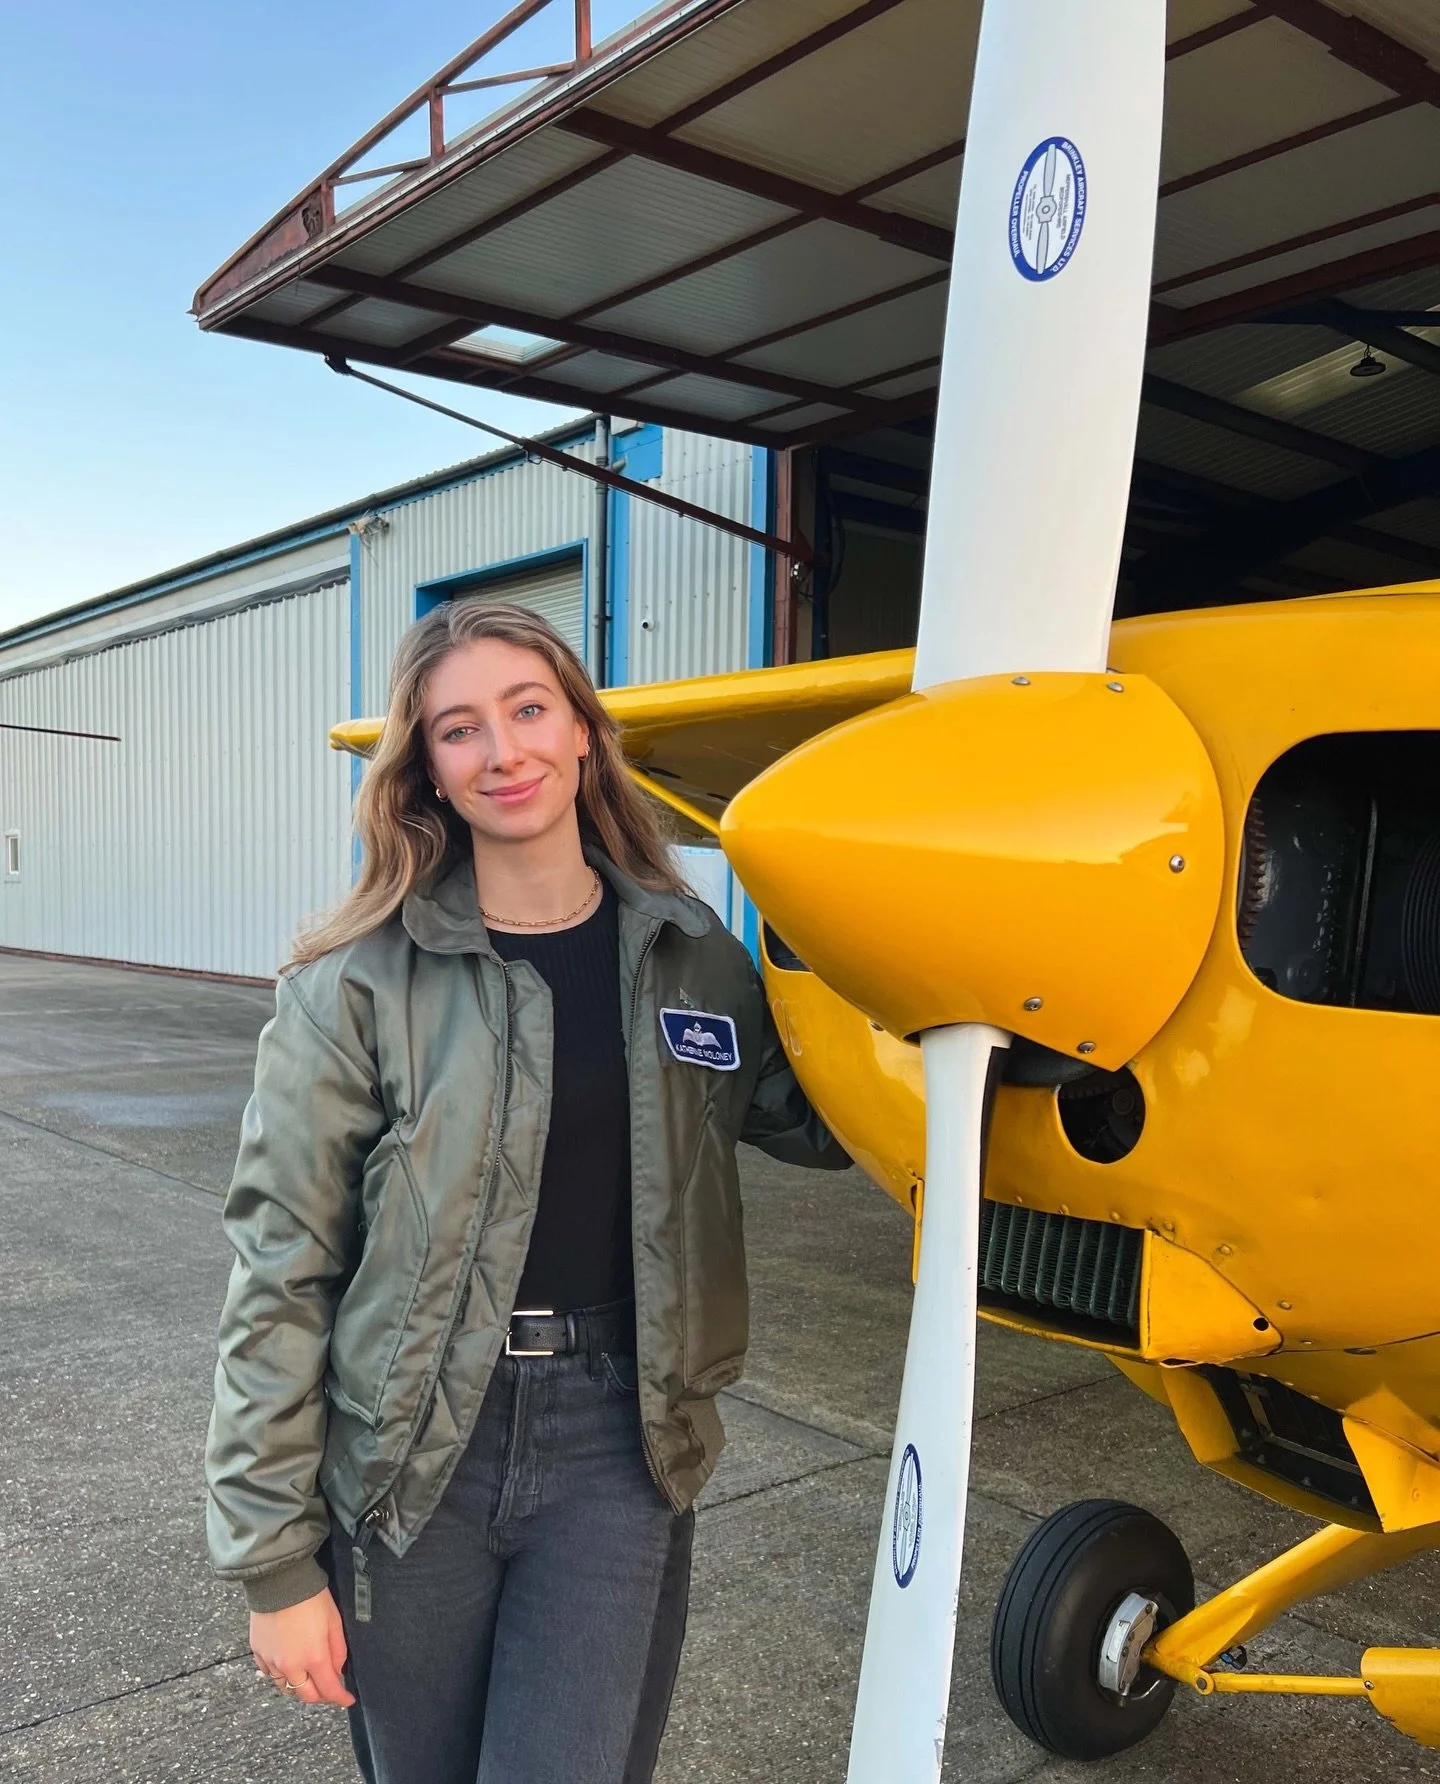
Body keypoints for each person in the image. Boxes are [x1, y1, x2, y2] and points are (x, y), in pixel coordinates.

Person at [204, 598, 849, 1784]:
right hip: (413, 1454)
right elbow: (281, 1273)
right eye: (459, 730)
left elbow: (821, 1116)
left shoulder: (692, 955)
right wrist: (275, 1563)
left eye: (529, 708)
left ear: (586, 733)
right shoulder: (352, 985)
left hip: (621, 1436)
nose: (503, 751)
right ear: (428, 773)